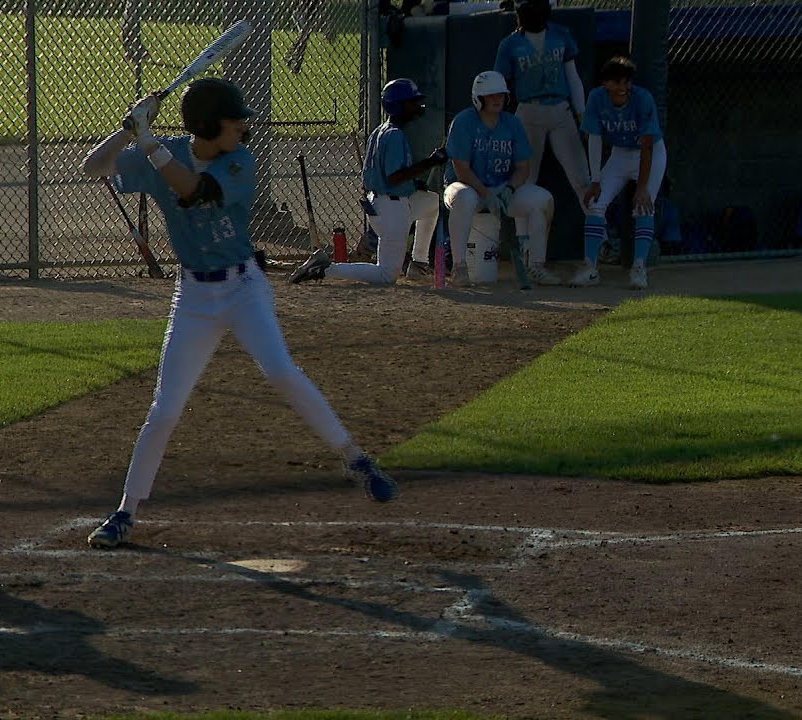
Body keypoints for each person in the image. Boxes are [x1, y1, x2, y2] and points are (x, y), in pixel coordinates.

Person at [79, 77, 399, 549]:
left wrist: (148, 141)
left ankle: (355, 458)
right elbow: (93, 166)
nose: (244, 131)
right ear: (208, 125)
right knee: (165, 410)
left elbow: (194, 191)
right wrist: (130, 129)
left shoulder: (239, 162)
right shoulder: (161, 152)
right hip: (192, 296)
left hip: (244, 286)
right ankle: (126, 511)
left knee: (281, 370)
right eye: (234, 124)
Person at [289, 79, 444, 285]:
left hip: (383, 204)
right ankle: (326, 268)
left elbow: (380, 176)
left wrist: (414, 185)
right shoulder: (395, 135)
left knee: (432, 202)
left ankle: (418, 262)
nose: (417, 106)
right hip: (392, 209)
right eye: (411, 102)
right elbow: (394, 177)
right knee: (386, 275)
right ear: (398, 106)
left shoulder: (380, 130)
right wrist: (431, 162)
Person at [443, 70, 562, 287]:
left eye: (500, 94)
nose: (497, 99)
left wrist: (508, 190)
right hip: (467, 187)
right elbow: (461, 169)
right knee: (464, 197)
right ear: (478, 98)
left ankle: (536, 266)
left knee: (542, 200)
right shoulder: (464, 121)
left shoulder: (512, 124)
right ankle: (459, 267)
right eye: (491, 95)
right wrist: (486, 193)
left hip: (501, 190)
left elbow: (523, 168)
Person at [574, 55, 666, 290]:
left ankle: (638, 269)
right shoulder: (597, 98)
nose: (622, 88)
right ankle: (590, 268)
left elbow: (647, 144)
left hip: (650, 153)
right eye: (616, 82)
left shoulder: (642, 98)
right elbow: (593, 138)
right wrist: (595, 179)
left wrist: (642, 187)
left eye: (626, 82)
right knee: (595, 203)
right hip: (619, 153)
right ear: (606, 83)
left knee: (644, 205)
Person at [493, 0, 589, 202]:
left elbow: (573, 77)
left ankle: (599, 231)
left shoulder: (560, 34)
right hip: (528, 111)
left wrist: (582, 114)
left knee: (581, 177)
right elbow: (500, 86)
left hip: (561, 110)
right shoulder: (510, 44)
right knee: (524, 179)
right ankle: (524, 233)